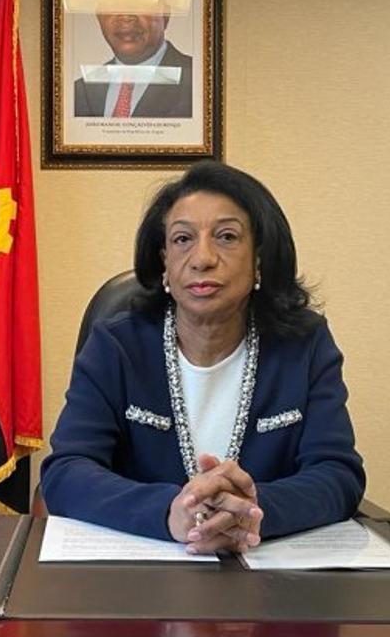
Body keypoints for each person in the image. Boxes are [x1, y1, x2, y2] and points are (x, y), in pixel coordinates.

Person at [41, 161, 365, 554]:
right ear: (164, 260)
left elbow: (337, 473)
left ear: (259, 258)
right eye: (182, 239)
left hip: (268, 572)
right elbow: (66, 472)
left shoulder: (304, 344)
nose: (202, 258)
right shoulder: (117, 345)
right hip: (139, 573)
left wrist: (252, 511)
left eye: (227, 237)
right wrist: (168, 512)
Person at [72, 0, 193, 119]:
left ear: (165, 15)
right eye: (114, 5)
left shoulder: (198, 82)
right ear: (99, 16)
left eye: (139, 4)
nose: (126, 17)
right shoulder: (80, 91)